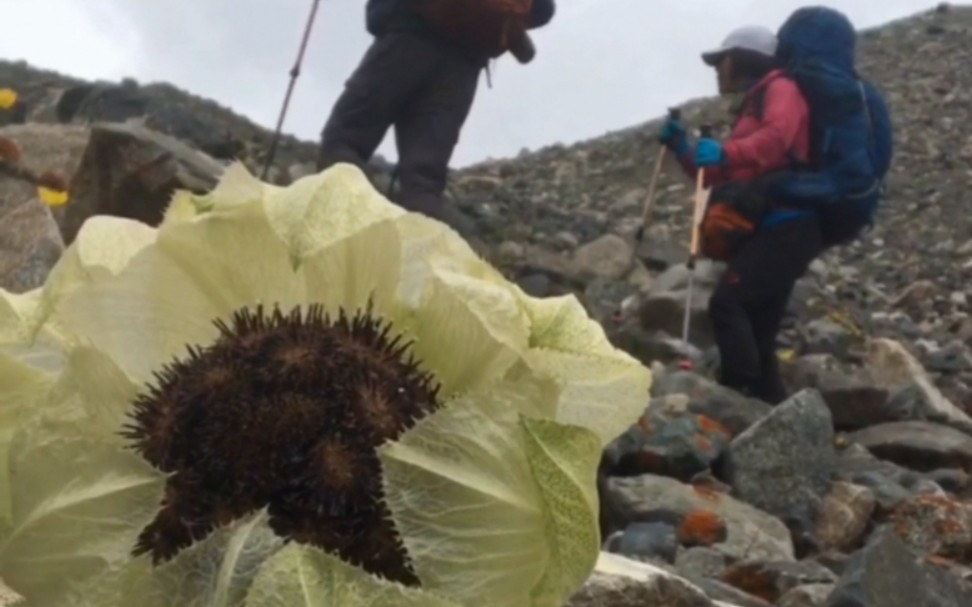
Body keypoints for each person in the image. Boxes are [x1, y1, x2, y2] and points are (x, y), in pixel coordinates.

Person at [658, 25, 822, 404]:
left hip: (789, 224)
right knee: (760, 328)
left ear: (742, 59)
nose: (717, 68)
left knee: (728, 304)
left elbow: (777, 139)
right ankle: (772, 417)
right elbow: (721, 171)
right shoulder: (753, 104)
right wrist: (684, 148)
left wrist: (726, 152)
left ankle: (738, 399)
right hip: (780, 225)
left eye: (722, 60)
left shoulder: (781, 89)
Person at [317, 0, 556, 233]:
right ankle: (419, 259)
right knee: (423, 184)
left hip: (405, 42)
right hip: (461, 71)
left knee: (344, 141)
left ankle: (332, 233)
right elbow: (544, 9)